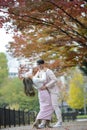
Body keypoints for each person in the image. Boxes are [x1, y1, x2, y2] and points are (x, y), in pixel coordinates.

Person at [34, 59, 62, 128]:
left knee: (55, 105)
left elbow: (55, 80)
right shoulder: (39, 72)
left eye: (40, 65)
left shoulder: (48, 71)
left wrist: (46, 86)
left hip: (53, 91)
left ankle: (59, 122)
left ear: (43, 64)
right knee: (46, 107)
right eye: (38, 65)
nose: (39, 66)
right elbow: (35, 79)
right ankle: (43, 123)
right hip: (46, 92)